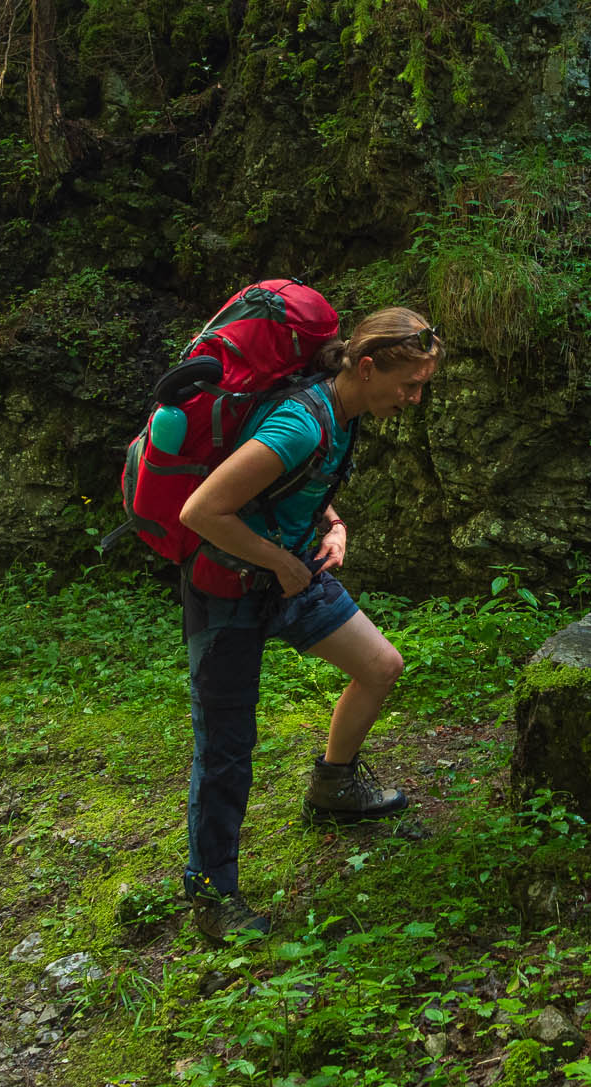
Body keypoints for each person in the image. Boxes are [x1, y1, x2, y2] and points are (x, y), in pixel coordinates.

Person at [176, 306, 442, 943]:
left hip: (287, 570)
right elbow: (201, 510)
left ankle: (332, 786)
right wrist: (280, 564)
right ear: (368, 366)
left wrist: (333, 523)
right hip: (230, 587)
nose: (414, 398)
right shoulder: (301, 421)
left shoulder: (343, 416)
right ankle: (212, 893)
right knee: (227, 748)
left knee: (380, 666)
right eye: (409, 384)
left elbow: (296, 485)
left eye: (423, 386)